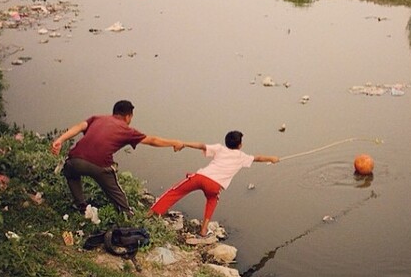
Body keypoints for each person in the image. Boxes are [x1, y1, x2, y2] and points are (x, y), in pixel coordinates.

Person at [51, 100, 185, 218]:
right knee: (114, 190)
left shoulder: (97, 118)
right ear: (128, 116)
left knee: (70, 172)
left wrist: (60, 140)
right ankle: (126, 213)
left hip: (75, 160)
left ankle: (81, 207)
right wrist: (174, 142)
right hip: (100, 166)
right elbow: (152, 140)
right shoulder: (127, 130)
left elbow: (79, 127)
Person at [148, 130, 279, 236]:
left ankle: (151, 213)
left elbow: (201, 145)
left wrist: (184, 144)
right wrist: (272, 158)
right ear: (240, 145)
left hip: (200, 177)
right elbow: (259, 158)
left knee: (175, 191)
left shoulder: (219, 148)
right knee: (212, 201)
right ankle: (204, 230)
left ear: (226, 142)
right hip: (214, 185)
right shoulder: (242, 157)